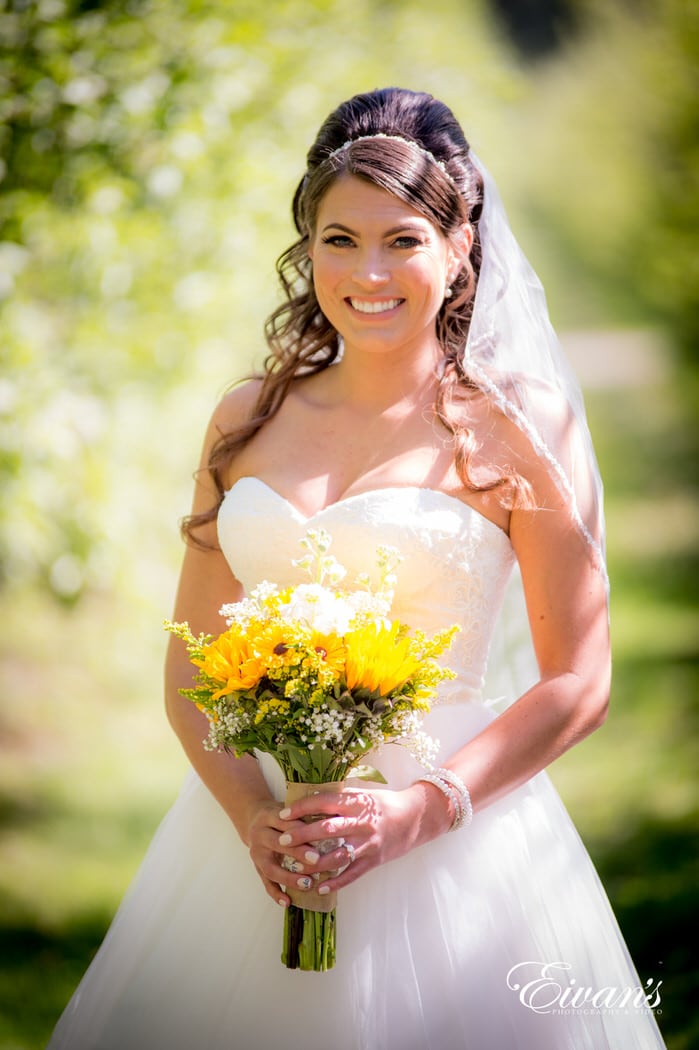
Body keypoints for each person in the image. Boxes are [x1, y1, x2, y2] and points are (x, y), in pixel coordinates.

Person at [48, 87, 666, 1049]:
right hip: (257, 844)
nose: (366, 271)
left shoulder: (518, 427)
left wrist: (418, 815)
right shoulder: (247, 416)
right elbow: (191, 668)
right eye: (339, 239)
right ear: (306, 245)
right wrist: (255, 817)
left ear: (460, 246)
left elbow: (579, 679)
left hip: (458, 845)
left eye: (402, 239)